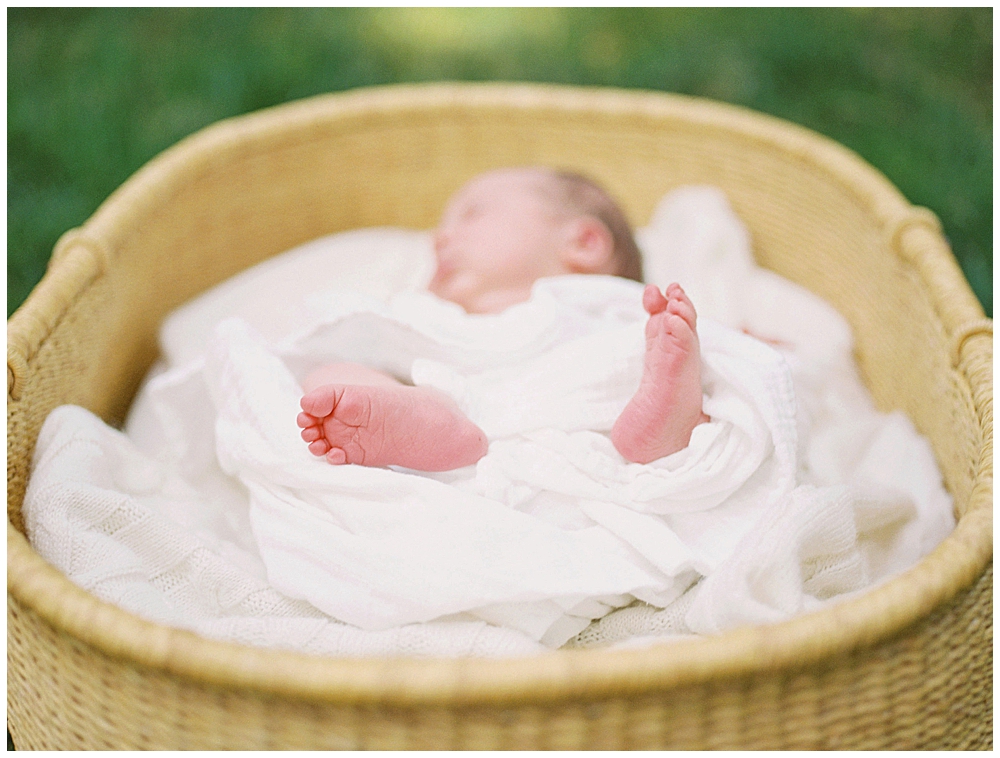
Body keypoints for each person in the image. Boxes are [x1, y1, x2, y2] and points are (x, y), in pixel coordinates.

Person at [296, 167, 710, 472]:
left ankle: (664, 428)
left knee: (681, 360)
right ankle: (424, 416)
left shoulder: (614, 310)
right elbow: (365, 342)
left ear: (583, 243)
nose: (439, 238)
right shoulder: (435, 319)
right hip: (462, 414)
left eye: (472, 214)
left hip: (594, 411)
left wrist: (723, 350)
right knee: (332, 373)